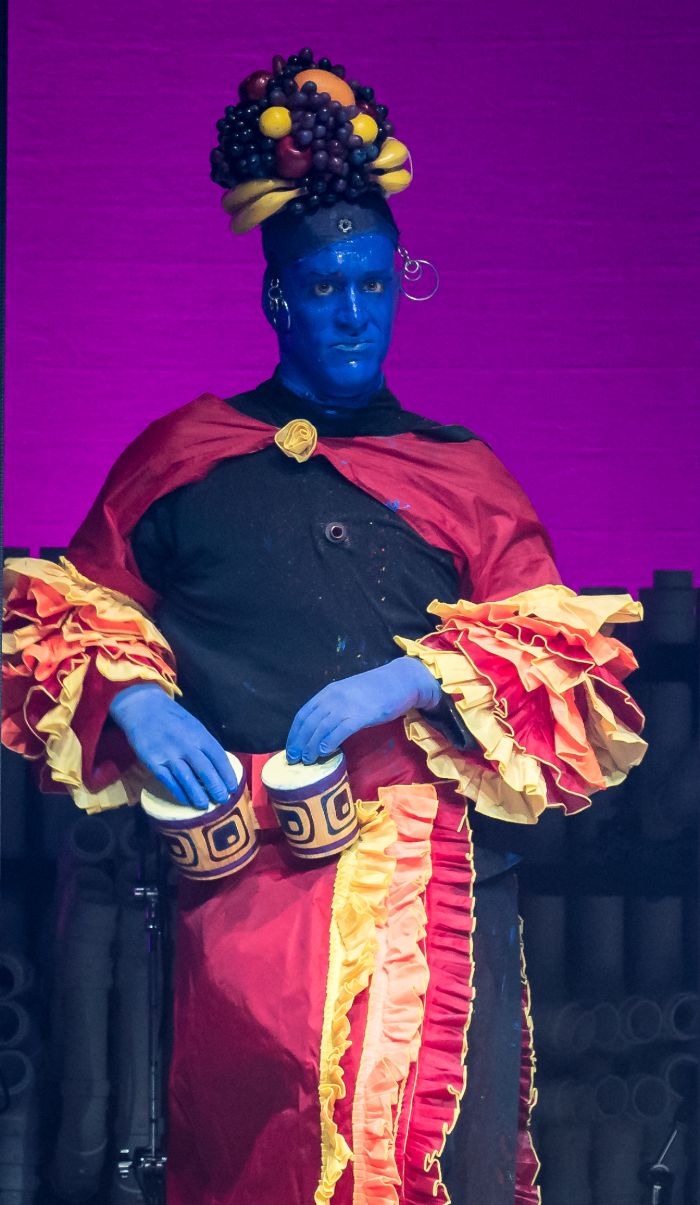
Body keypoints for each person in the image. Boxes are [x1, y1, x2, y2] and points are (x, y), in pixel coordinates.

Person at [2, 49, 648, 1205]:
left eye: (372, 285)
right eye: (323, 288)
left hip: (415, 871)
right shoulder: (185, 456)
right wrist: (137, 698)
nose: (352, 314)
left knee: (402, 1144)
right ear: (276, 298)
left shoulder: (456, 469)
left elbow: (556, 651)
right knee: (251, 1148)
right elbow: (69, 607)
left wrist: (409, 679)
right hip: (238, 882)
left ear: (398, 287)